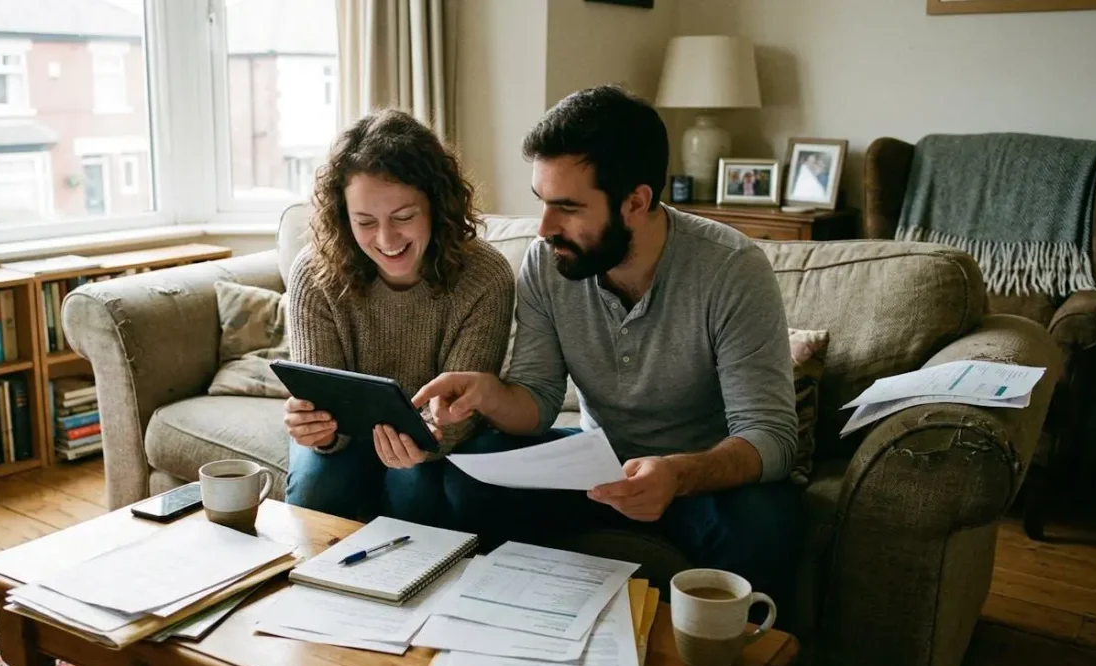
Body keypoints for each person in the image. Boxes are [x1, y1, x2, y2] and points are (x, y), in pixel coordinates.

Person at [412, 86, 801, 600]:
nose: (545, 227)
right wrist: (489, 393)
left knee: (768, 525)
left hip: (702, 476)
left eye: (568, 207)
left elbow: (771, 437)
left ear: (636, 201)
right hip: (596, 467)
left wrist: (678, 475)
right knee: (465, 481)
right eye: (542, 203)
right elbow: (539, 401)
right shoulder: (545, 263)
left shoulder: (731, 270)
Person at [282, 109, 515, 525]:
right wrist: (316, 429)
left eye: (404, 217)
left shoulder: (485, 276)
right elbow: (321, 395)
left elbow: (462, 405)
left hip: (433, 436)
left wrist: (432, 437)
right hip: (346, 436)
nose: (387, 241)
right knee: (316, 489)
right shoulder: (314, 273)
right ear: (343, 218)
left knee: (415, 493)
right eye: (365, 222)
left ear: (436, 205)